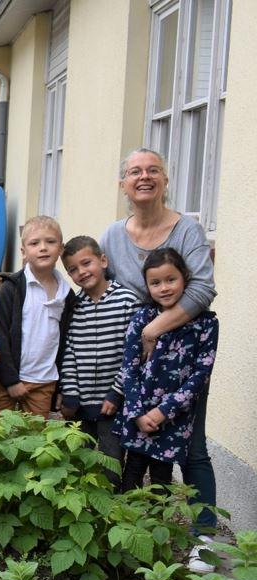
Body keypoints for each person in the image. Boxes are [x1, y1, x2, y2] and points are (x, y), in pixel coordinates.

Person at [100, 147, 219, 546]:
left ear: (166, 180)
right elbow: (102, 286)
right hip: (133, 358)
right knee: (131, 441)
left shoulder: (187, 230)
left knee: (193, 447)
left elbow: (203, 287)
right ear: (123, 185)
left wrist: (154, 329)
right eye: (135, 171)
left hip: (183, 352)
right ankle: (130, 531)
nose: (144, 177)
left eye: (154, 169)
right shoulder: (113, 236)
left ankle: (203, 536)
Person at [114, 249, 218, 510]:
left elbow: (200, 375)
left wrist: (163, 412)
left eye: (170, 280)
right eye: (155, 283)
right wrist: (137, 412)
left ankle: (156, 540)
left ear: (185, 278)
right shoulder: (141, 319)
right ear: (147, 286)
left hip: (173, 418)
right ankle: (129, 531)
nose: (164, 288)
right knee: (133, 474)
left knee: (162, 480)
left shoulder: (205, 325)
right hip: (139, 413)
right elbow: (129, 368)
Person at [58, 236, 140, 472]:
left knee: (111, 465)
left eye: (86, 263)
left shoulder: (127, 302)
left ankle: (111, 507)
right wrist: (71, 393)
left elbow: (133, 356)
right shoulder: (73, 305)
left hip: (113, 405)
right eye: (73, 269)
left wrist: (116, 394)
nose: (81, 272)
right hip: (80, 404)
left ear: (102, 260)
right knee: (77, 464)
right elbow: (70, 351)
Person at [0, 216, 76, 416]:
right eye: (34, 243)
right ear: (23, 252)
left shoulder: (66, 294)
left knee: (34, 439)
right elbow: (0, 332)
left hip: (43, 380)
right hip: (5, 379)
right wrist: (10, 380)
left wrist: (61, 385)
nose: (43, 248)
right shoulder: (12, 287)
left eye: (50, 242)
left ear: (61, 249)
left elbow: (64, 341)